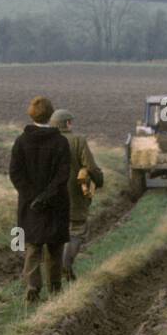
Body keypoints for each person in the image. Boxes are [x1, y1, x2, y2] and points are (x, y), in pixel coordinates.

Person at [9, 95, 71, 303]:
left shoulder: (21, 141)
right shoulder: (61, 142)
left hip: (30, 205)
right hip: (56, 204)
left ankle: (33, 288)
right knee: (55, 248)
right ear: (51, 115)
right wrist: (46, 197)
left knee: (33, 247)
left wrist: (32, 197)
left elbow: (15, 174)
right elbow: (63, 176)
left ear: (31, 114)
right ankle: (55, 289)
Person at [49, 109, 103, 281]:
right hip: (74, 195)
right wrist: (99, 180)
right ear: (68, 123)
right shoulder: (78, 141)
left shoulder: (45, 141)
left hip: (49, 197)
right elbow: (91, 167)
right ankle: (66, 264)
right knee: (76, 231)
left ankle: (52, 273)